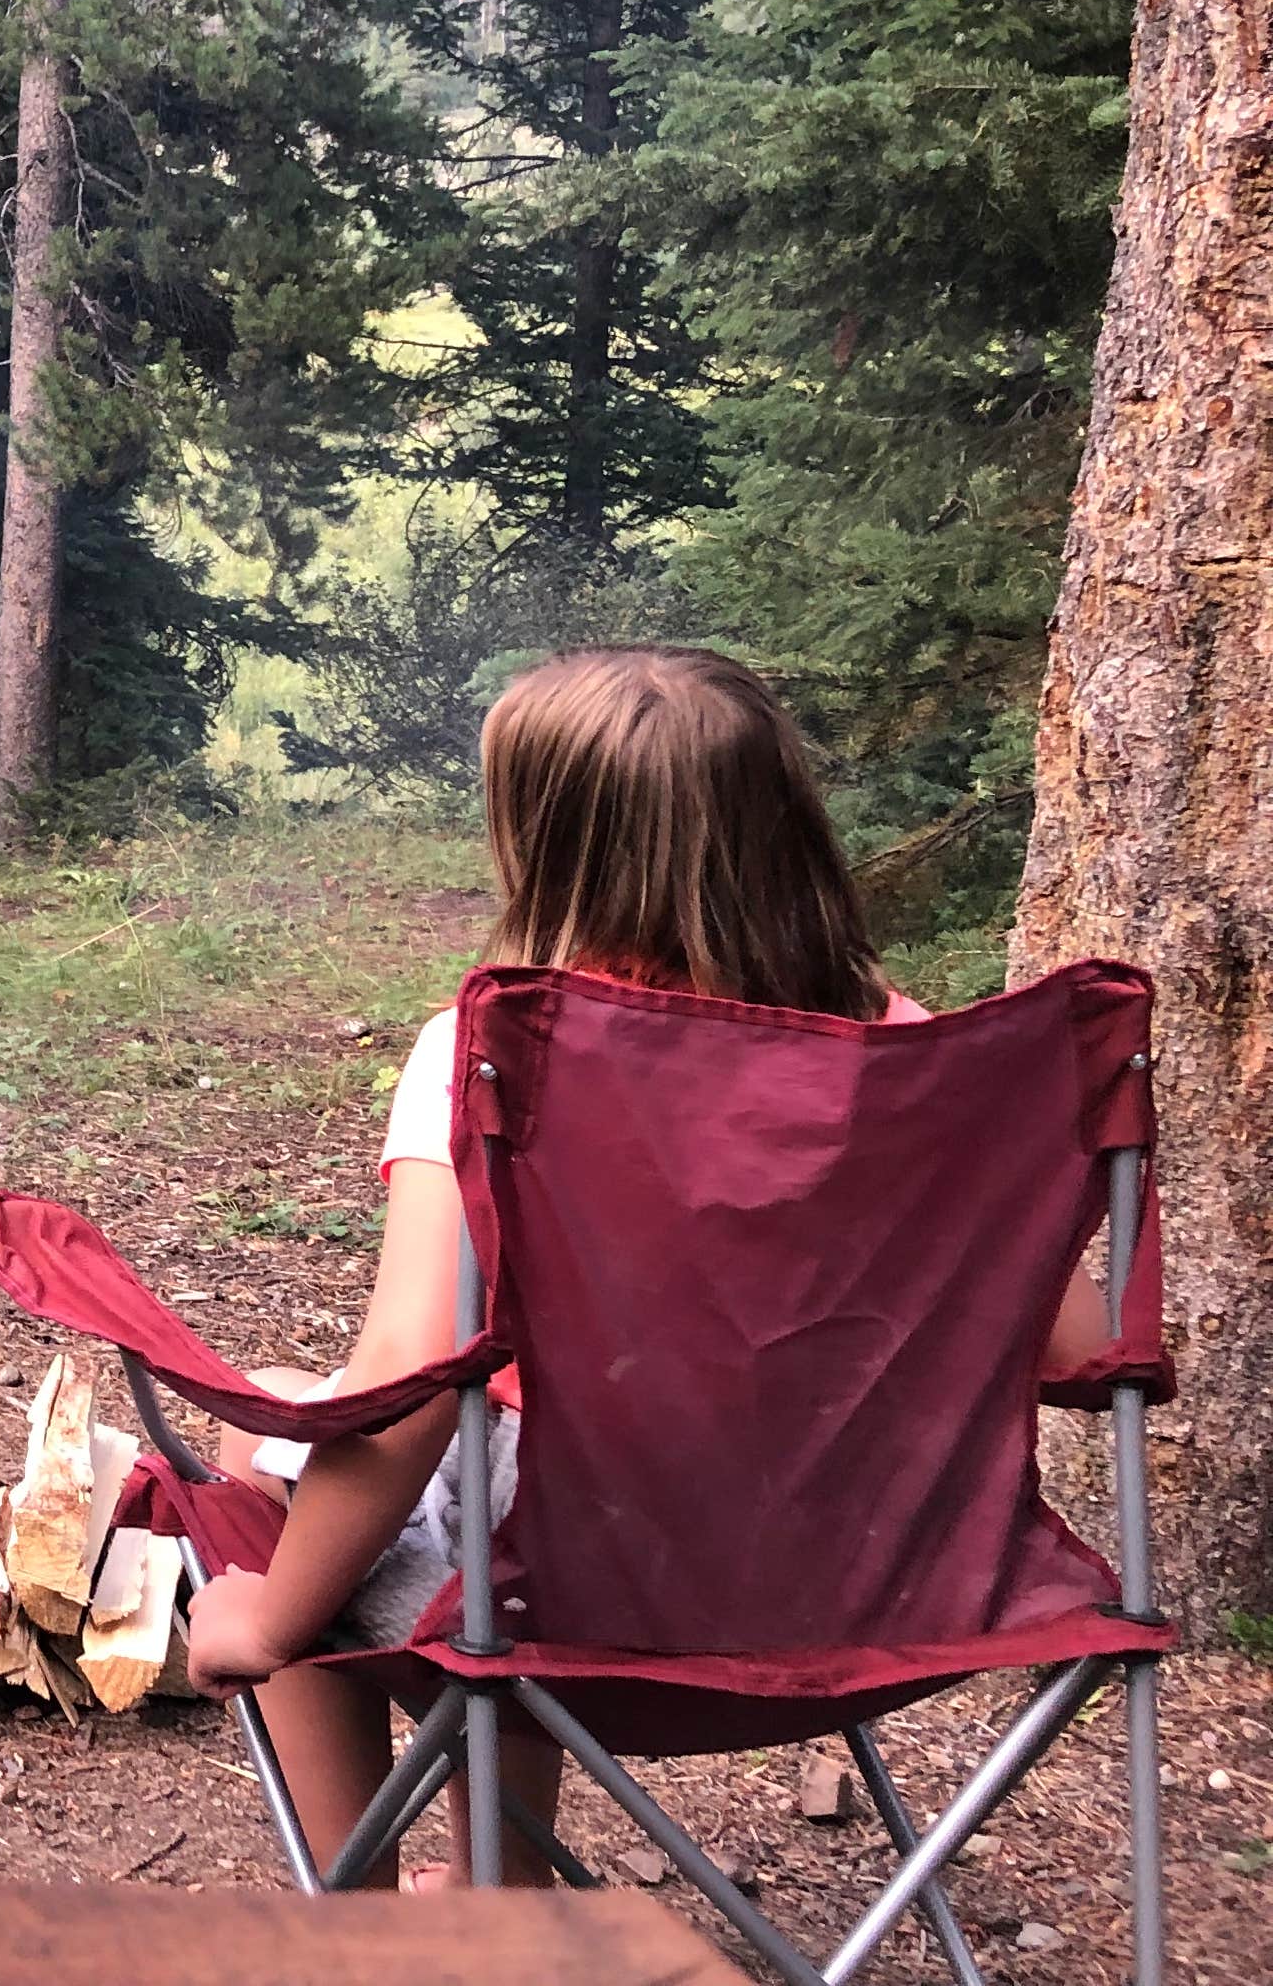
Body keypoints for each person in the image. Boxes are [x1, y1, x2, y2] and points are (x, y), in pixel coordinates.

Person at [175, 646, 1111, 1886]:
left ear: (548, 846)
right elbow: (1086, 1352)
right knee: (346, 1436)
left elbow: (403, 1376)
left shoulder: (496, 1056)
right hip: (881, 1597)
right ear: (787, 828)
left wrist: (271, 1615)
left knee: (268, 1470)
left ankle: (364, 1920)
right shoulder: (919, 1062)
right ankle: (492, 1906)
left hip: (577, 1613)